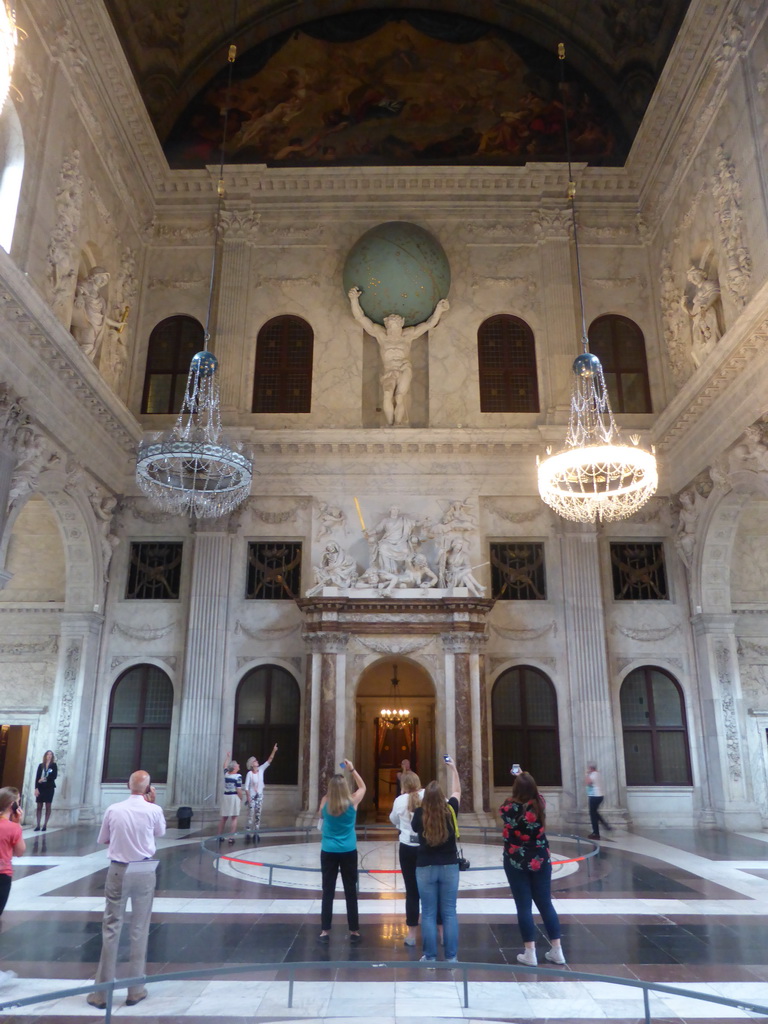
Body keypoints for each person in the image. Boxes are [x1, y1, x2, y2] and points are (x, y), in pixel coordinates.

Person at [87, 770, 165, 1009]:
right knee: (140, 928)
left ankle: (101, 993)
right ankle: (136, 990)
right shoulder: (154, 810)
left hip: (119, 869)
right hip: (144, 870)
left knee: (111, 927)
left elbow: (104, 839)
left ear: (127, 785)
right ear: (149, 788)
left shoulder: (114, 809)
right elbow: (159, 833)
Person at [348, 286, 449, 426]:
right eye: (390, 323)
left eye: (396, 323)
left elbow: (429, 324)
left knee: (400, 397)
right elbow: (360, 318)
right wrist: (354, 299)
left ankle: (397, 424)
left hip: (404, 368)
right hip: (389, 371)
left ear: (401, 323)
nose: (393, 325)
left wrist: (439, 309)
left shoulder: (408, 335)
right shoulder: (381, 335)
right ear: (386, 324)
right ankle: (390, 425)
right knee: (387, 395)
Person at [500, 771, 566, 967]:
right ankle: (557, 950)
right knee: (545, 903)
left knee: (524, 906)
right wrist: (525, 777)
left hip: (516, 860)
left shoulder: (508, 807)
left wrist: (518, 780)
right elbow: (536, 795)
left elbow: (505, 809)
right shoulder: (539, 804)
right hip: (540, 859)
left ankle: (530, 952)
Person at [411, 756, 461, 963]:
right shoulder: (450, 810)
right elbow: (457, 792)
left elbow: (413, 829)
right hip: (449, 866)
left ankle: (430, 956)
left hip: (425, 867)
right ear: (442, 797)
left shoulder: (419, 814)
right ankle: (451, 957)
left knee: (429, 913)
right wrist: (454, 770)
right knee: (449, 913)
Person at [318, 758, 366, 942]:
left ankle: (325, 930)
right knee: (350, 890)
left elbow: (320, 819)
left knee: (327, 890)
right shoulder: (352, 802)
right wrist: (352, 769)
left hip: (328, 850)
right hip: (348, 850)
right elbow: (363, 788)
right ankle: (354, 930)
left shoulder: (325, 802)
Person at [389, 770, 423, 945]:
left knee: (412, 891)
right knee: (430, 890)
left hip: (407, 849)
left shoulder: (399, 801)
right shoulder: (426, 796)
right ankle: (438, 933)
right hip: (424, 848)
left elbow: (393, 819)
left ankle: (411, 935)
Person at [70, 267, 125, 360]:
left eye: (106, 281)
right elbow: (79, 288)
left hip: (96, 326)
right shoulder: (85, 285)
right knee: (87, 345)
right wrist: (79, 296)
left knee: (90, 346)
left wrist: (117, 324)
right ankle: (74, 361)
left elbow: (103, 318)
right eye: (102, 278)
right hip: (84, 321)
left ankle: (78, 363)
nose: (103, 281)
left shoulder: (101, 300)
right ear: (93, 276)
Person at [244, 744, 278, 843]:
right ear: (251, 764)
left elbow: (269, 760)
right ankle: (248, 831)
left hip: (259, 796)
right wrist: (248, 797)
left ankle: (256, 832)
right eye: (255, 761)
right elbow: (246, 787)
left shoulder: (261, 770)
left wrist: (274, 750)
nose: (257, 762)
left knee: (258, 814)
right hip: (252, 796)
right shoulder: (249, 774)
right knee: (250, 814)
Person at [0, 787, 25, 916]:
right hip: (2, 873)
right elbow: (20, 851)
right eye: (18, 801)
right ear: (12, 805)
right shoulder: (13, 828)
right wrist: (17, 823)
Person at [218, 752, 243, 844]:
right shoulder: (238, 776)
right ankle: (231, 837)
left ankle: (219, 835)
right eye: (237, 765)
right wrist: (241, 798)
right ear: (234, 768)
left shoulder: (226, 774)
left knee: (224, 817)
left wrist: (227, 757)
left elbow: (224, 766)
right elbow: (239, 789)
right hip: (234, 796)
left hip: (226, 796)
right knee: (234, 817)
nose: (239, 765)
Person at [585, 763, 612, 841]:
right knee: (595, 813)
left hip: (595, 796)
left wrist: (587, 774)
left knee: (593, 814)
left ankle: (596, 833)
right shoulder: (597, 774)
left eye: (589, 768)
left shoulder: (593, 774)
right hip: (598, 796)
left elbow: (588, 782)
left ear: (591, 768)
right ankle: (605, 825)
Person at [34, 749, 58, 831]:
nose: (49, 756)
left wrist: (45, 778)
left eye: (51, 754)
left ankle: (45, 825)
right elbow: (37, 777)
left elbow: (54, 776)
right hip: (41, 787)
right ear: (45, 756)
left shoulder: (54, 765)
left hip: (49, 787)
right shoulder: (41, 765)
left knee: (48, 806)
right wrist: (36, 788)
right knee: (39, 806)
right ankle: (38, 825)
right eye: (48, 754)